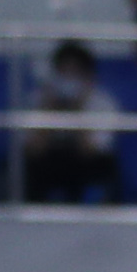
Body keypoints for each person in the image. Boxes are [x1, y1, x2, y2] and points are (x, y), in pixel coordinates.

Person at [22, 39, 117, 206]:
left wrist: (78, 111)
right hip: (48, 162)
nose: (69, 78)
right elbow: (35, 149)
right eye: (64, 71)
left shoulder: (102, 102)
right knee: (27, 166)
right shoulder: (37, 99)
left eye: (75, 72)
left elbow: (91, 151)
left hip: (84, 163)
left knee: (101, 167)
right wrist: (48, 110)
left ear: (88, 75)